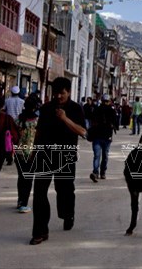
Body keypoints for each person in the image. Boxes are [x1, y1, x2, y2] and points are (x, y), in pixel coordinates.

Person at [29, 77, 86, 245]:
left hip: (65, 156)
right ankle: (40, 231)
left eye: (62, 93)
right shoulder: (46, 108)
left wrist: (65, 119)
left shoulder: (76, 109)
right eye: (56, 93)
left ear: (68, 92)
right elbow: (39, 132)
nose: (59, 96)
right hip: (45, 155)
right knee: (39, 192)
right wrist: (34, 151)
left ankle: (68, 214)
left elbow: (83, 131)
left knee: (65, 190)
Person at [14, 94, 41, 214]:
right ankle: (24, 203)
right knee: (28, 178)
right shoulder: (37, 121)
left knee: (21, 177)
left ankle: (20, 200)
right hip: (32, 153)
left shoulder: (19, 119)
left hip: (19, 152)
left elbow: (15, 136)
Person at [89, 94, 116, 182]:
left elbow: (91, 120)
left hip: (101, 136)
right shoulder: (109, 110)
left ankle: (99, 172)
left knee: (100, 156)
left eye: (106, 102)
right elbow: (115, 123)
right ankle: (98, 172)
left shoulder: (98, 109)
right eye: (105, 101)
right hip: (103, 136)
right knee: (102, 156)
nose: (105, 103)